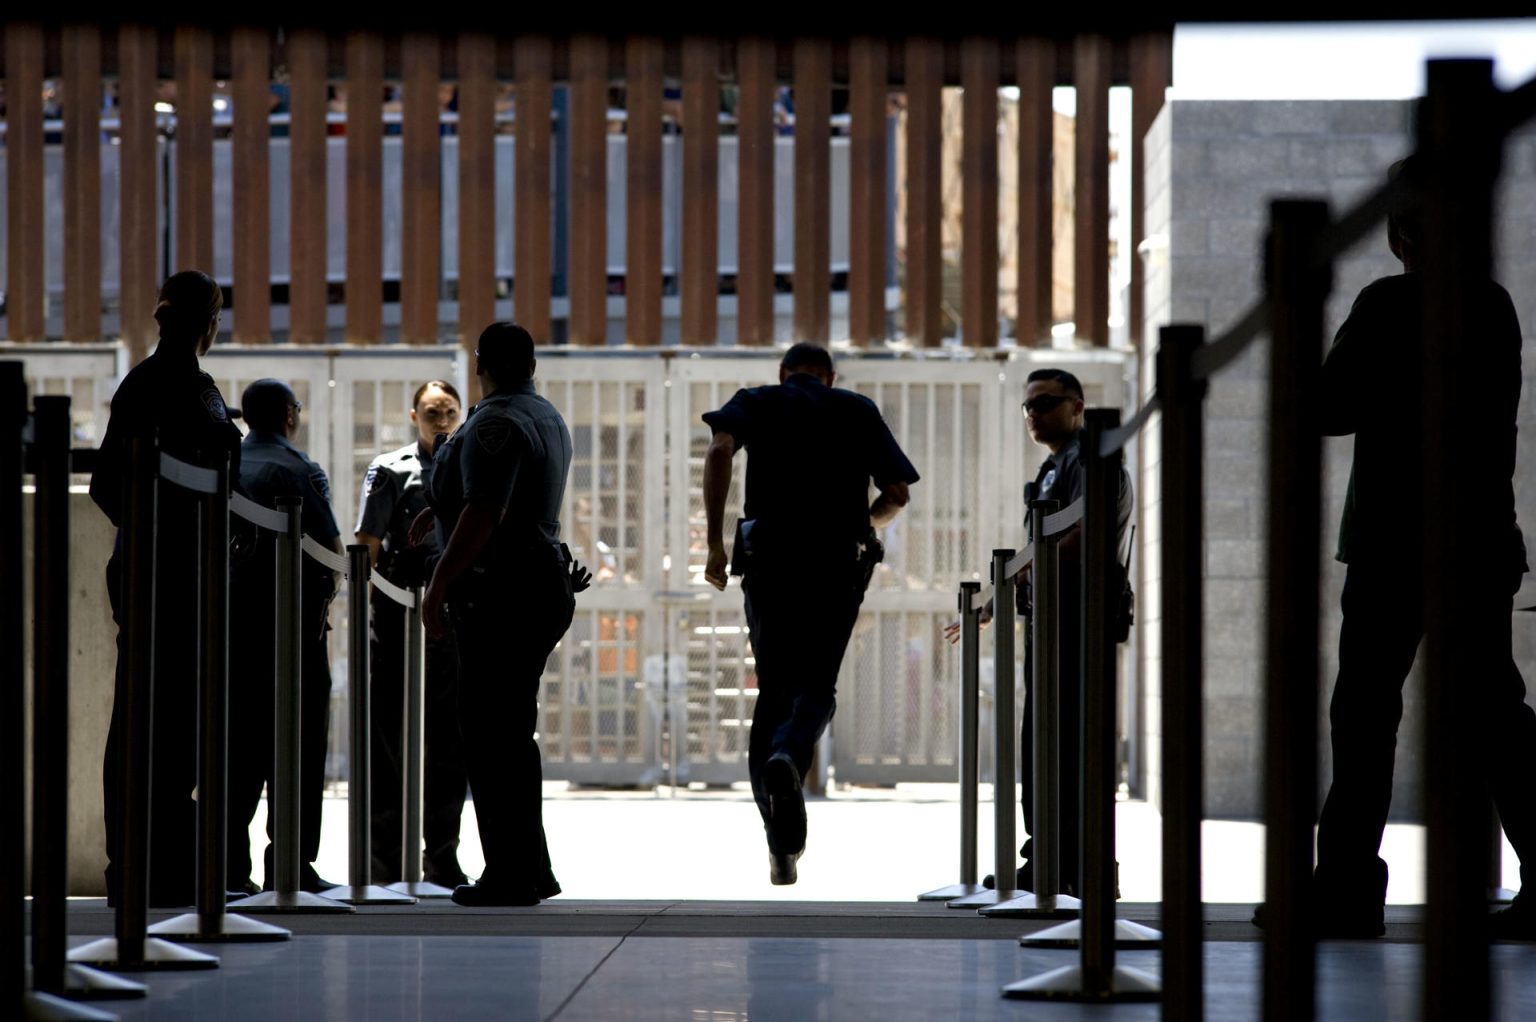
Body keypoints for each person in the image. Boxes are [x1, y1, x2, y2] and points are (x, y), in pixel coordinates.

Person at [1261, 156, 1536, 939]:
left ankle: (1346, 891)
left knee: (1365, 716)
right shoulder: (1492, 303)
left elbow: (1323, 408)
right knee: (1495, 715)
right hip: (1479, 538)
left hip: (1393, 541)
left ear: (1404, 231)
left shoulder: (1388, 301)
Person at [702, 342, 919, 885]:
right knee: (818, 681)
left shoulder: (755, 400)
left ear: (783, 373)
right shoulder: (856, 409)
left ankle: (780, 838)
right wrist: (866, 523)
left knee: (774, 688)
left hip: (770, 558)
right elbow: (896, 493)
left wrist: (714, 545)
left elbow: (719, 451)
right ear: (830, 376)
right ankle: (792, 755)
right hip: (835, 563)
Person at [414, 323, 588, 907]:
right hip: (534, 582)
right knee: (510, 734)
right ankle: (529, 868)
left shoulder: (494, 421)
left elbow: (487, 510)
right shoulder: (544, 414)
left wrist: (439, 580)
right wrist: (435, 516)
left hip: (503, 590)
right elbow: (479, 497)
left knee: (489, 735)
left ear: (481, 363)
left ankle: (510, 873)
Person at [944, 368, 1134, 897]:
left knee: (1067, 744)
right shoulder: (1056, 466)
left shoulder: (1089, 458)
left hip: (1078, 620)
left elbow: (1076, 535)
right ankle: (1048, 857)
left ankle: (1074, 864)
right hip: (1052, 621)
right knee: (1044, 743)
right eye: (1028, 406)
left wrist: (1008, 584)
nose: (1033, 413)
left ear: (1077, 406)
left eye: (1046, 403)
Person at [92, 269, 242, 906]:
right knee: (167, 723)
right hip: (174, 575)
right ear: (208, 322)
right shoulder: (185, 385)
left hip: (161, 568)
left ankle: (143, 862)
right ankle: (158, 867)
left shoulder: (147, 382)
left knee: (152, 718)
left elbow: (108, 485)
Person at [226, 379, 343, 894]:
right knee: (297, 745)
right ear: (290, 416)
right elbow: (334, 554)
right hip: (292, 628)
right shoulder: (300, 469)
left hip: (229, 626)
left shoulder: (225, 466)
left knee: (236, 747)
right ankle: (291, 863)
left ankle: (228, 866)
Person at [355, 380, 470, 889]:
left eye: (448, 411)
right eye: (431, 411)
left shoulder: (470, 465)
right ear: (413, 416)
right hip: (398, 617)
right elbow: (368, 544)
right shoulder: (390, 469)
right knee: (389, 741)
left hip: (451, 620)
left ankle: (441, 858)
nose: (440, 420)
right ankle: (384, 861)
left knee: (449, 742)